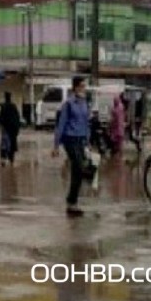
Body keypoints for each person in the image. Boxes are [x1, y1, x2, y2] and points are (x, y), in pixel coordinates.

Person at [52, 76, 91, 216]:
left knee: (80, 170)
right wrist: (56, 146)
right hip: (70, 139)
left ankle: (72, 202)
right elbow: (61, 124)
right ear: (75, 88)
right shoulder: (68, 104)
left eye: (84, 86)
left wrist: (88, 142)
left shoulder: (84, 103)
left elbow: (86, 123)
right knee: (78, 167)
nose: (83, 89)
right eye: (81, 86)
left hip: (80, 139)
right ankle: (71, 202)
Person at [0, 92, 21, 166]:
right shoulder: (13, 106)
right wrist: (17, 128)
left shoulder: (3, 106)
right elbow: (17, 118)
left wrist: (2, 125)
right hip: (12, 129)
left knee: (4, 144)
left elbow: (1, 118)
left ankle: (3, 160)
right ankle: (11, 161)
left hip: (6, 128)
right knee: (11, 144)